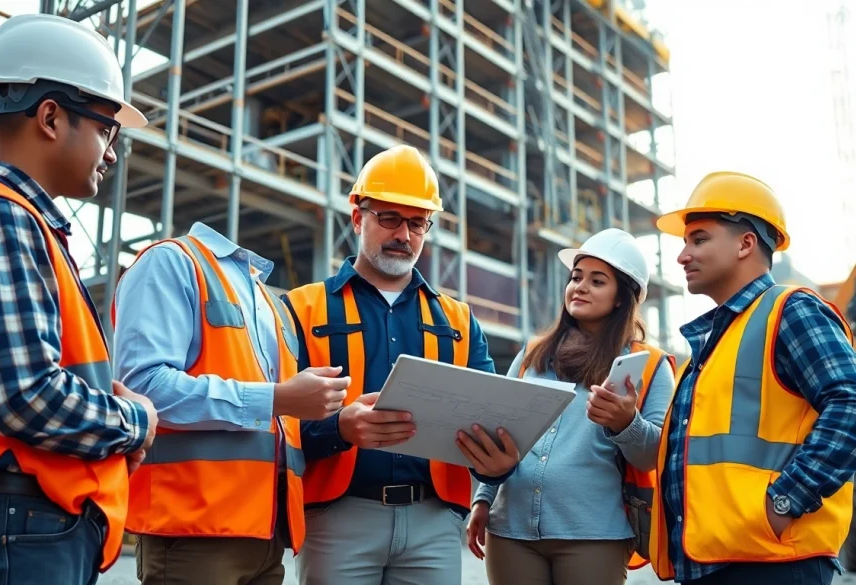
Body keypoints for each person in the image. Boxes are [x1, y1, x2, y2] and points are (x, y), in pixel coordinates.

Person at [0, 13, 158, 585]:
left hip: (0, 523)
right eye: (106, 128)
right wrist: (134, 419)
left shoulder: (14, 222)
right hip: (2, 528)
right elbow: (24, 394)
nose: (110, 151)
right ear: (50, 117)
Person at [282, 144, 520, 585]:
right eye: (389, 218)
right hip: (337, 518)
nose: (404, 235)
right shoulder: (301, 309)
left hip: (433, 523)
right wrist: (339, 430)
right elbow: (276, 420)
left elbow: (492, 416)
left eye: (417, 223)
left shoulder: (459, 320)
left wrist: (497, 461)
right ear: (358, 217)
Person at [646, 171, 856, 585]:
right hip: (716, 561)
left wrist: (783, 503)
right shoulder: (713, 345)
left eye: (699, 239)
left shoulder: (789, 311)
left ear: (746, 243)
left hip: (771, 562)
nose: (682, 256)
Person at [111, 221, 352, 585]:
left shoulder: (271, 302)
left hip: (266, 532)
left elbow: (278, 424)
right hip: (193, 529)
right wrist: (278, 398)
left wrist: (342, 419)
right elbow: (145, 389)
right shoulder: (171, 262)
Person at [466, 228, 676, 585]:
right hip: (511, 529)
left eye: (597, 281)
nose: (579, 287)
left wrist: (627, 423)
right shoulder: (532, 355)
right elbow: (500, 431)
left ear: (622, 298)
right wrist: (483, 499)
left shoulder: (650, 367)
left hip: (593, 535)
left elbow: (653, 456)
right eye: (576, 277)